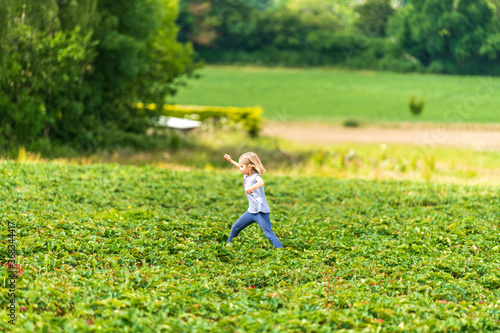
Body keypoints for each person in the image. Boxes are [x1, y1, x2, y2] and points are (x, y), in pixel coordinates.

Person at [223, 152, 283, 248]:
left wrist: (253, 187)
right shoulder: (246, 174)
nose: (240, 168)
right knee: (235, 227)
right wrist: (230, 161)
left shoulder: (256, 176)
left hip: (260, 212)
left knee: (268, 234)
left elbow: (261, 182)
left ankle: (281, 251)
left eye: (242, 166)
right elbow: (239, 166)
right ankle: (228, 246)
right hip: (251, 212)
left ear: (249, 167)